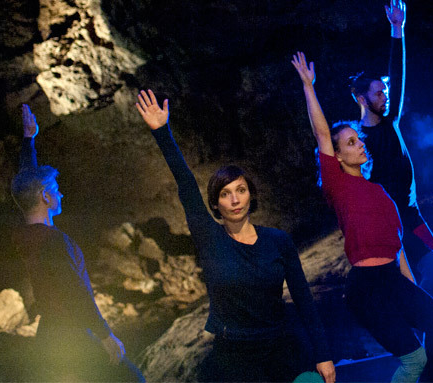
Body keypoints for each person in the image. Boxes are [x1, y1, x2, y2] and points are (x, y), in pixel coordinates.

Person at [135, 89, 335, 383]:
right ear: (215, 204)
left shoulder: (278, 241)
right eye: (225, 194)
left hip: (280, 347)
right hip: (234, 356)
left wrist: (323, 353)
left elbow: (303, 298)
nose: (235, 199)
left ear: (251, 195)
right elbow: (187, 187)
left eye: (241, 190)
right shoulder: (210, 237)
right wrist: (162, 133)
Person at [292, 52, 433, 382]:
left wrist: (414, 295)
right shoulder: (339, 185)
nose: (359, 145)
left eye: (358, 140)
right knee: (414, 360)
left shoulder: (382, 195)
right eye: (350, 143)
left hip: (393, 279)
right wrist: (309, 87)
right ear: (337, 156)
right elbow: (323, 134)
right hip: (366, 288)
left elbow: (399, 250)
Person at [10, 104, 145, 382]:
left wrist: (28, 140)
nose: (61, 195)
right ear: (45, 197)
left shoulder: (25, 235)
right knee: (133, 380)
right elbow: (76, 292)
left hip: (49, 332)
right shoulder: (54, 242)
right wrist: (106, 335)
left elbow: (27, 183)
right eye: (56, 191)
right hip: (72, 332)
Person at [349, 0, 433, 307]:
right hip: (393, 221)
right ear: (363, 99)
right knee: (432, 274)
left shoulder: (391, 120)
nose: (385, 96)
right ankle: (419, 334)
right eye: (379, 93)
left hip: (413, 213)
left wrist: (398, 30)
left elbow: (399, 74)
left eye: (386, 92)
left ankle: (427, 336)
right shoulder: (359, 138)